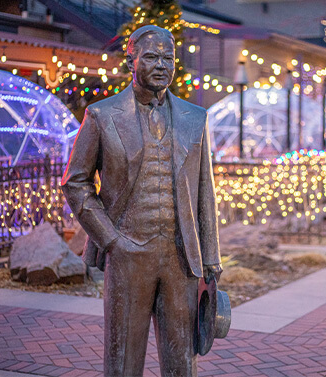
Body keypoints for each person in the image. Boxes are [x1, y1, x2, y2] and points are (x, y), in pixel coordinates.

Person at [61, 25, 222, 377]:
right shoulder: (102, 115)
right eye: (151, 56)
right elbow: (75, 182)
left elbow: (204, 193)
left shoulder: (196, 118)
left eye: (169, 57)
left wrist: (211, 258)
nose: (162, 64)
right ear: (131, 60)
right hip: (128, 253)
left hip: (182, 260)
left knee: (183, 362)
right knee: (123, 362)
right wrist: (112, 240)